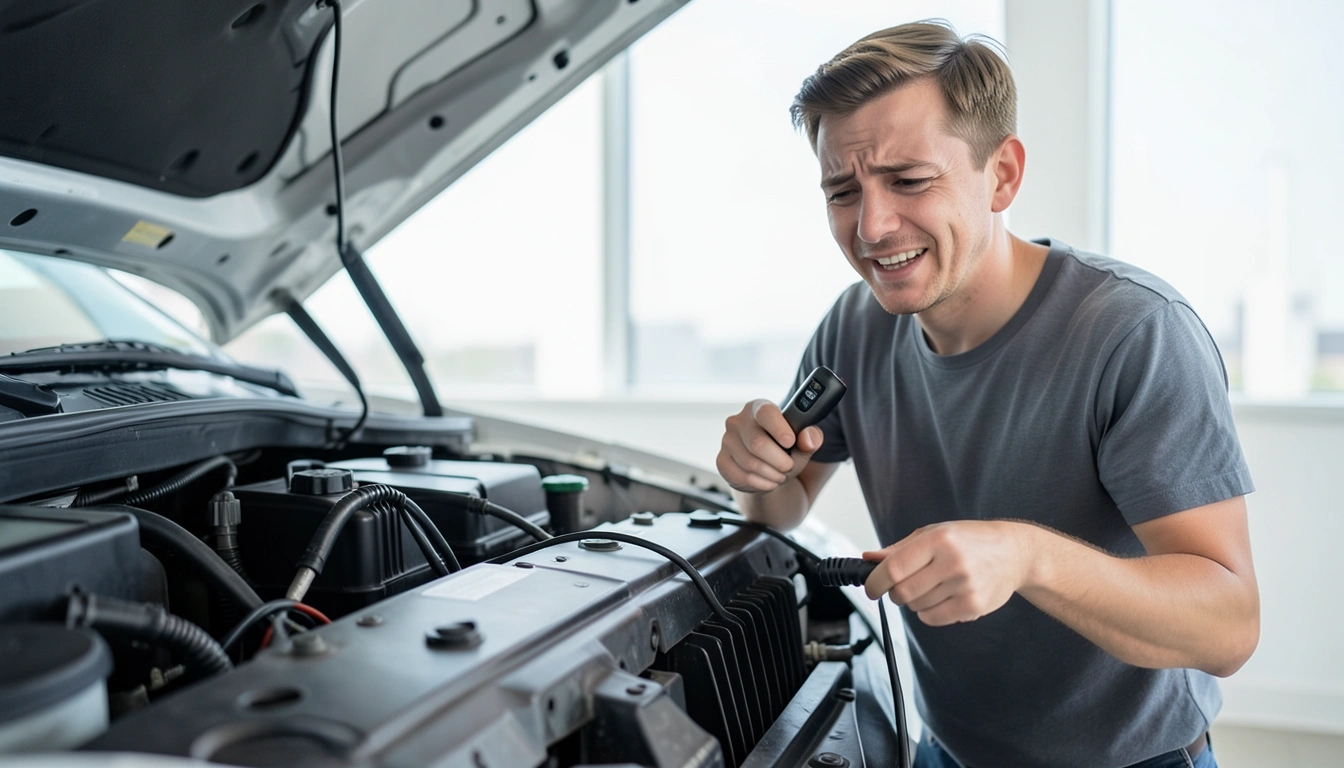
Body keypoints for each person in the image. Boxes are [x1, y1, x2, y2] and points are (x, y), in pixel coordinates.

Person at [715, 21, 1257, 768]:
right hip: (947, 751)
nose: (871, 226)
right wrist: (757, 472)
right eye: (843, 191)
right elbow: (782, 510)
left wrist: (1026, 556)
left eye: (909, 180)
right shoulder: (855, 326)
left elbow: (1228, 628)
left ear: (1001, 174)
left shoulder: (1135, 332)